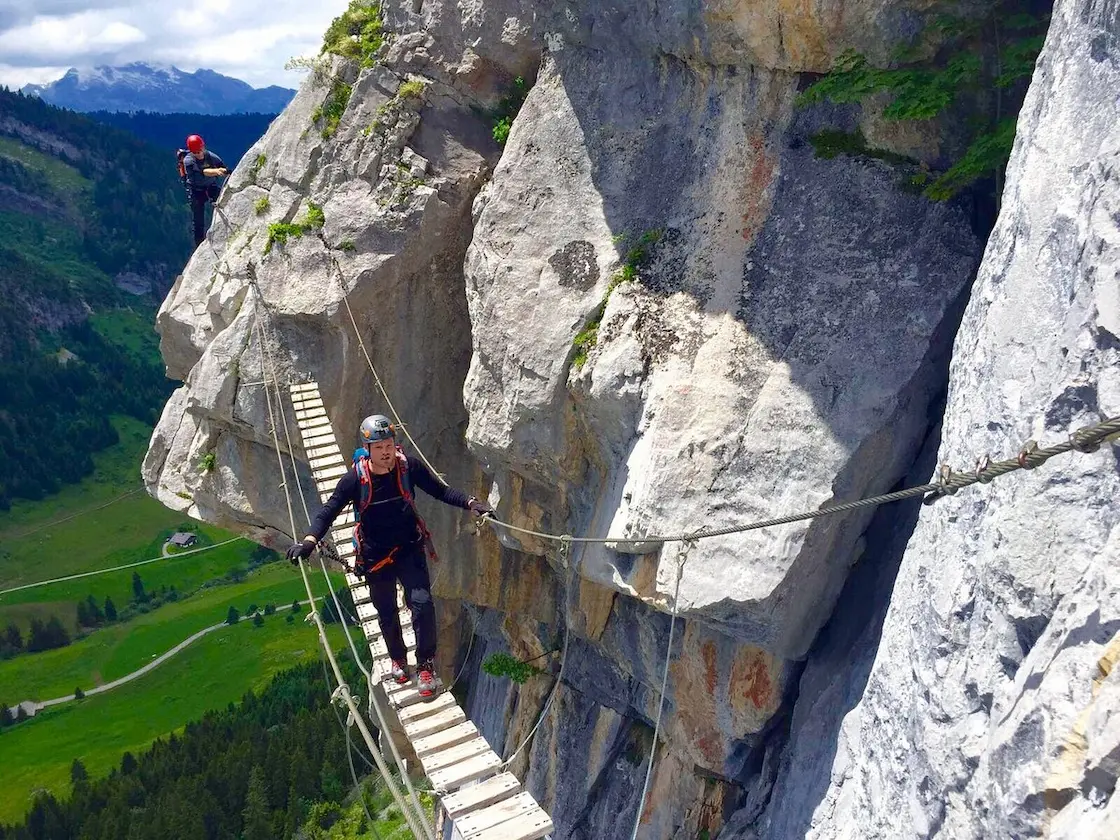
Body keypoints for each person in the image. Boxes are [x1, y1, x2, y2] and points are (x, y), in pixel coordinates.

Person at [286, 414, 492, 698]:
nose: (386, 452)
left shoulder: (409, 469)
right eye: (379, 446)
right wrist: (309, 541)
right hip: (374, 556)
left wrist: (471, 503)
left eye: (390, 445)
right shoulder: (355, 480)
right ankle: (397, 658)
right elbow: (329, 511)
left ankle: (425, 665)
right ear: (368, 449)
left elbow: (440, 491)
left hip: (409, 547)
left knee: (422, 604)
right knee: (386, 612)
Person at [181, 134, 228, 247]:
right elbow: (204, 172)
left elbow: (223, 166)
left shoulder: (211, 156)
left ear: (203, 147)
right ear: (192, 152)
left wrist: (226, 171)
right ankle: (199, 247)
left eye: (200, 150)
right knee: (198, 222)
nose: (199, 154)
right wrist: (217, 171)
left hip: (210, 187)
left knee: (224, 204)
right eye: (196, 152)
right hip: (196, 191)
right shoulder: (188, 160)